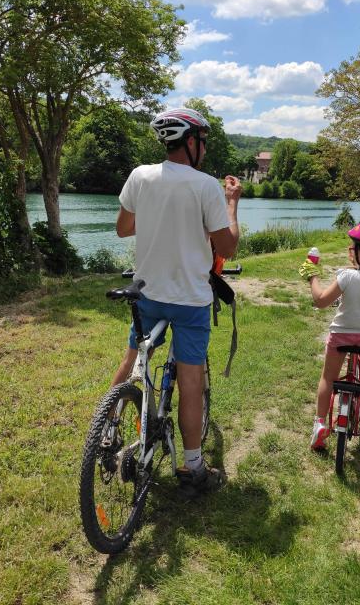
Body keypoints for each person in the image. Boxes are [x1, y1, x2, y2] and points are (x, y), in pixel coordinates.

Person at [112, 107, 241, 497]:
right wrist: (232, 202)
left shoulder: (140, 175)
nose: (203, 148)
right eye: (202, 141)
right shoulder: (205, 187)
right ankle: (193, 467)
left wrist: (158, 214)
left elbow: (123, 228)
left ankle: (106, 430)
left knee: (134, 357)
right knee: (190, 382)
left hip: (146, 294)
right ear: (191, 142)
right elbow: (229, 247)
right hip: (188, 301)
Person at [299, 221, 360, 461]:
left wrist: (312, 277)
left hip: (341, 335)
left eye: (354, 247)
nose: (350, 250)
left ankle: (320, 425)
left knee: (328, 378)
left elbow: (321, 301)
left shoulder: (346, 277)